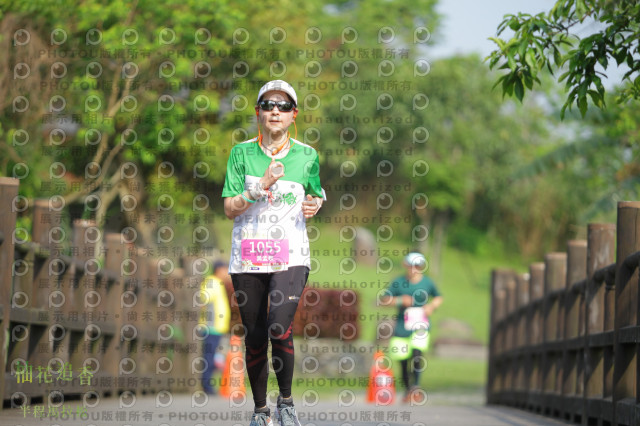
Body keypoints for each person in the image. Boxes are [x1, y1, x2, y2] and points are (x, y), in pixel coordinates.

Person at [222, 80, 325, 426]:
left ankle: (287, 403)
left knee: (279, 327)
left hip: (290, 256)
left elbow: (316, 192)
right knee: (254, 336)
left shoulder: (307, 155)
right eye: (268, 105)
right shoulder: (241, 153)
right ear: (258, 113)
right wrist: (260, 186)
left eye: (283, 106)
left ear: (294, 114)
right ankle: (260, 411)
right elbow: (229, 208)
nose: (275, 111)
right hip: (248, 256)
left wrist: (315, 204)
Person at [382, 252, 443, 403]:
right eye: (411, 265)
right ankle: (408, 389)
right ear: (406, 266)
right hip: (402, 325)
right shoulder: (399, 282)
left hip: (420, 324)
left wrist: (431, 306)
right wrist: (400, 301)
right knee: (402, 360)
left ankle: (416, 387)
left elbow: (438, 297)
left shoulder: (427, 282)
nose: (414, 268)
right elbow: (384, 299)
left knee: (417, 354)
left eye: (418, 266)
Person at [199, 260, 231, 395]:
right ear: (219, 270)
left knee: (213, 357)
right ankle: (207, 386)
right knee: (209, 357)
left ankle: (208, 385)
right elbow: (203, 299)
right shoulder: (212, 282)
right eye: (225, 270)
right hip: (210, 327)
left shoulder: (218, 283)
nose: (227, 273)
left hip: (217, 328)